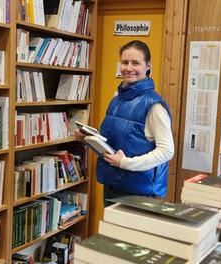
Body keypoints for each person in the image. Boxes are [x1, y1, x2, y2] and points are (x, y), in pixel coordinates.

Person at [75, 40, 174, 207]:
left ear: (147, 66)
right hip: (112, 183)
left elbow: (166, 151)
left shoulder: (154, 105)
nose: (128, 68)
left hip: (138, 191)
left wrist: (126, 163)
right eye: (125, 62)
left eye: (135, 63)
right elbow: (114, 142)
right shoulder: (117, 100)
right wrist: (88, 139)